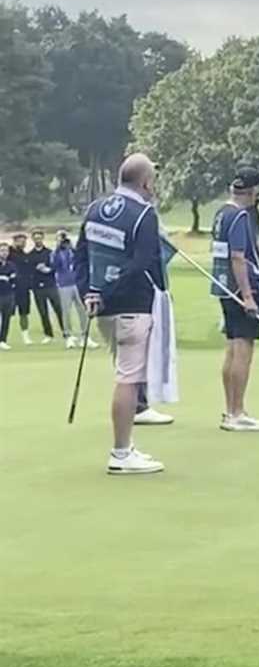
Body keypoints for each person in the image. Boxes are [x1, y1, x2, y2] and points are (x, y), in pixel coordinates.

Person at [73, 153, 168, 475]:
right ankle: (121, 452)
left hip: (102, 308)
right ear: (145, 182)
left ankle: (124, 448)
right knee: (128, 378)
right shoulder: (144, 214)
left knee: (124, 373)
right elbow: (143, 263)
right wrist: (106, 291)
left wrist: (91, 291)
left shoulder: (95, 209)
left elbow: (81, 256)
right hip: (132, 306)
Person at [211, 166, 259, 432]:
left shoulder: (221, 213)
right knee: (243, 350)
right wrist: (248, 296)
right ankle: (237, 412)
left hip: (225, 288)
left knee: (232, 348)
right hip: (241, 290)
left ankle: (230, 410)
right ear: (255, 190)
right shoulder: (239, 217)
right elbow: (238, 257)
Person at [53, 230, 96, 349]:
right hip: (64, 284)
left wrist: (71, 247)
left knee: (83, 309)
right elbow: (54, 264)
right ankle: (68, 336)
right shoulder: (56, 253)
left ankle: (85, 336)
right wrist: (58, 247)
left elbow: (81, 259)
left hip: (77, 283)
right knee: (66, 311)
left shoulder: (73, 251)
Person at [26, 231, 66, 344]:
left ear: (42, 238)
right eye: (35, 238)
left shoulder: (49, 253)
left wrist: (48, 269)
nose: (37, 240)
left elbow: (56, 266)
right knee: (43, 311)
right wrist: (37, 269)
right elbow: (29, 271)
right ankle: (48, 334)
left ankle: (65, 331)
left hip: (50, 285)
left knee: (58, 308)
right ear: (33, 240)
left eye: (39, 238)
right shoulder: (30, 255)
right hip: (37, 287)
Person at [0, 242, 15, 350]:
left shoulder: (11, 265)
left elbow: (14, 278)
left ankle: (3, 340)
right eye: (2, 250)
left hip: (8, 295)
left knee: (6, 319)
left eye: (6, 251)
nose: (4, 253)